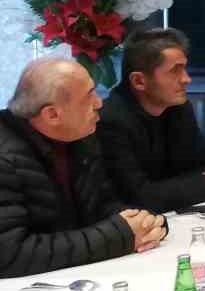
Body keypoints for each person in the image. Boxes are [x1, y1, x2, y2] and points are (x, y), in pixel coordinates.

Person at [0, 59, 165, 277]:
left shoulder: (81, 138)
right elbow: (9, 255)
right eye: (89, 96)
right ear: (52, 115)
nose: (99, 103)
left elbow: (102, 205)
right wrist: (119, 236)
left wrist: (145, 224)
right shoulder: (6, 158)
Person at [97, 28, 205, 213]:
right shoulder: (110, 121)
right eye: (175, 71)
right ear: (139, 81)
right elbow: (138, 198)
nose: (186, 79)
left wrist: (165, 192)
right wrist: (204, 186)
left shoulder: (179, 109)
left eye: (184, 69)